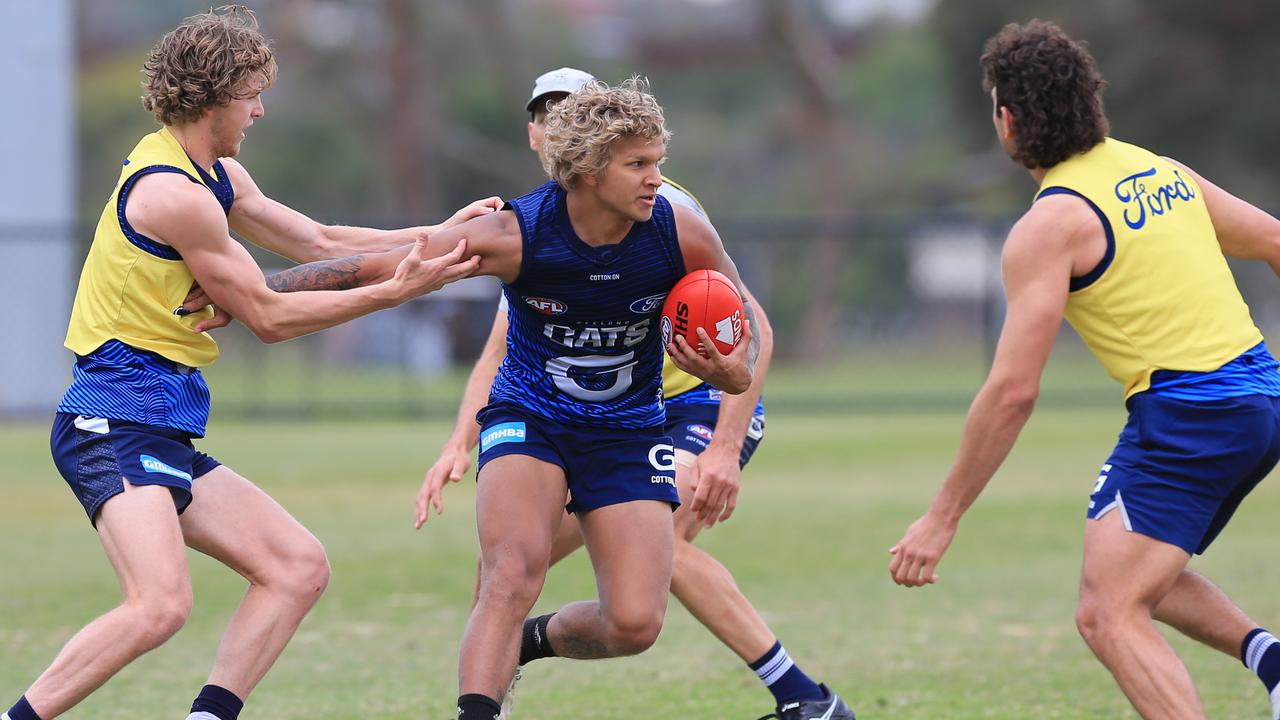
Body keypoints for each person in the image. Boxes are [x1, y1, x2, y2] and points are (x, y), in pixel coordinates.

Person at [2, 7, 494, 720]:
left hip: (158, 424)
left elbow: (322, 241)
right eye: (250, 94)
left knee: (296, 566)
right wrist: (398, 290)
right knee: (160, 605)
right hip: (110, 422)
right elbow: (267, 316)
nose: (259, 109)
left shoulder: (215, 175)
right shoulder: (174, 196)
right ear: (210, 98)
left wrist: (445, 235)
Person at [412, 67, 855, 720]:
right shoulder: (540, 224)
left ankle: (804, 698)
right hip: (585, 417)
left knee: (652, 549)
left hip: (694, 405)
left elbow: (749, 324)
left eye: (573, 109)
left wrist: (726, 447)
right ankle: (495, 690)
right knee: (506, 564)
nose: (555, 123)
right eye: (545, 113)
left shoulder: (657, 206)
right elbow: (510, 343)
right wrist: (462, 438)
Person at [888, 20, 1280, 720]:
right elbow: (1277, 240)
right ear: (1090, 101)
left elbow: (1012, 391)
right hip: (1260, 396)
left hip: (1190, 413)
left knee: (1106, 612)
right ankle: (1271, 662)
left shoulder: (1052, 224)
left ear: (1007, 121)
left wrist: (940, 518)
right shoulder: (1163, 172)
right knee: (1132, 576)